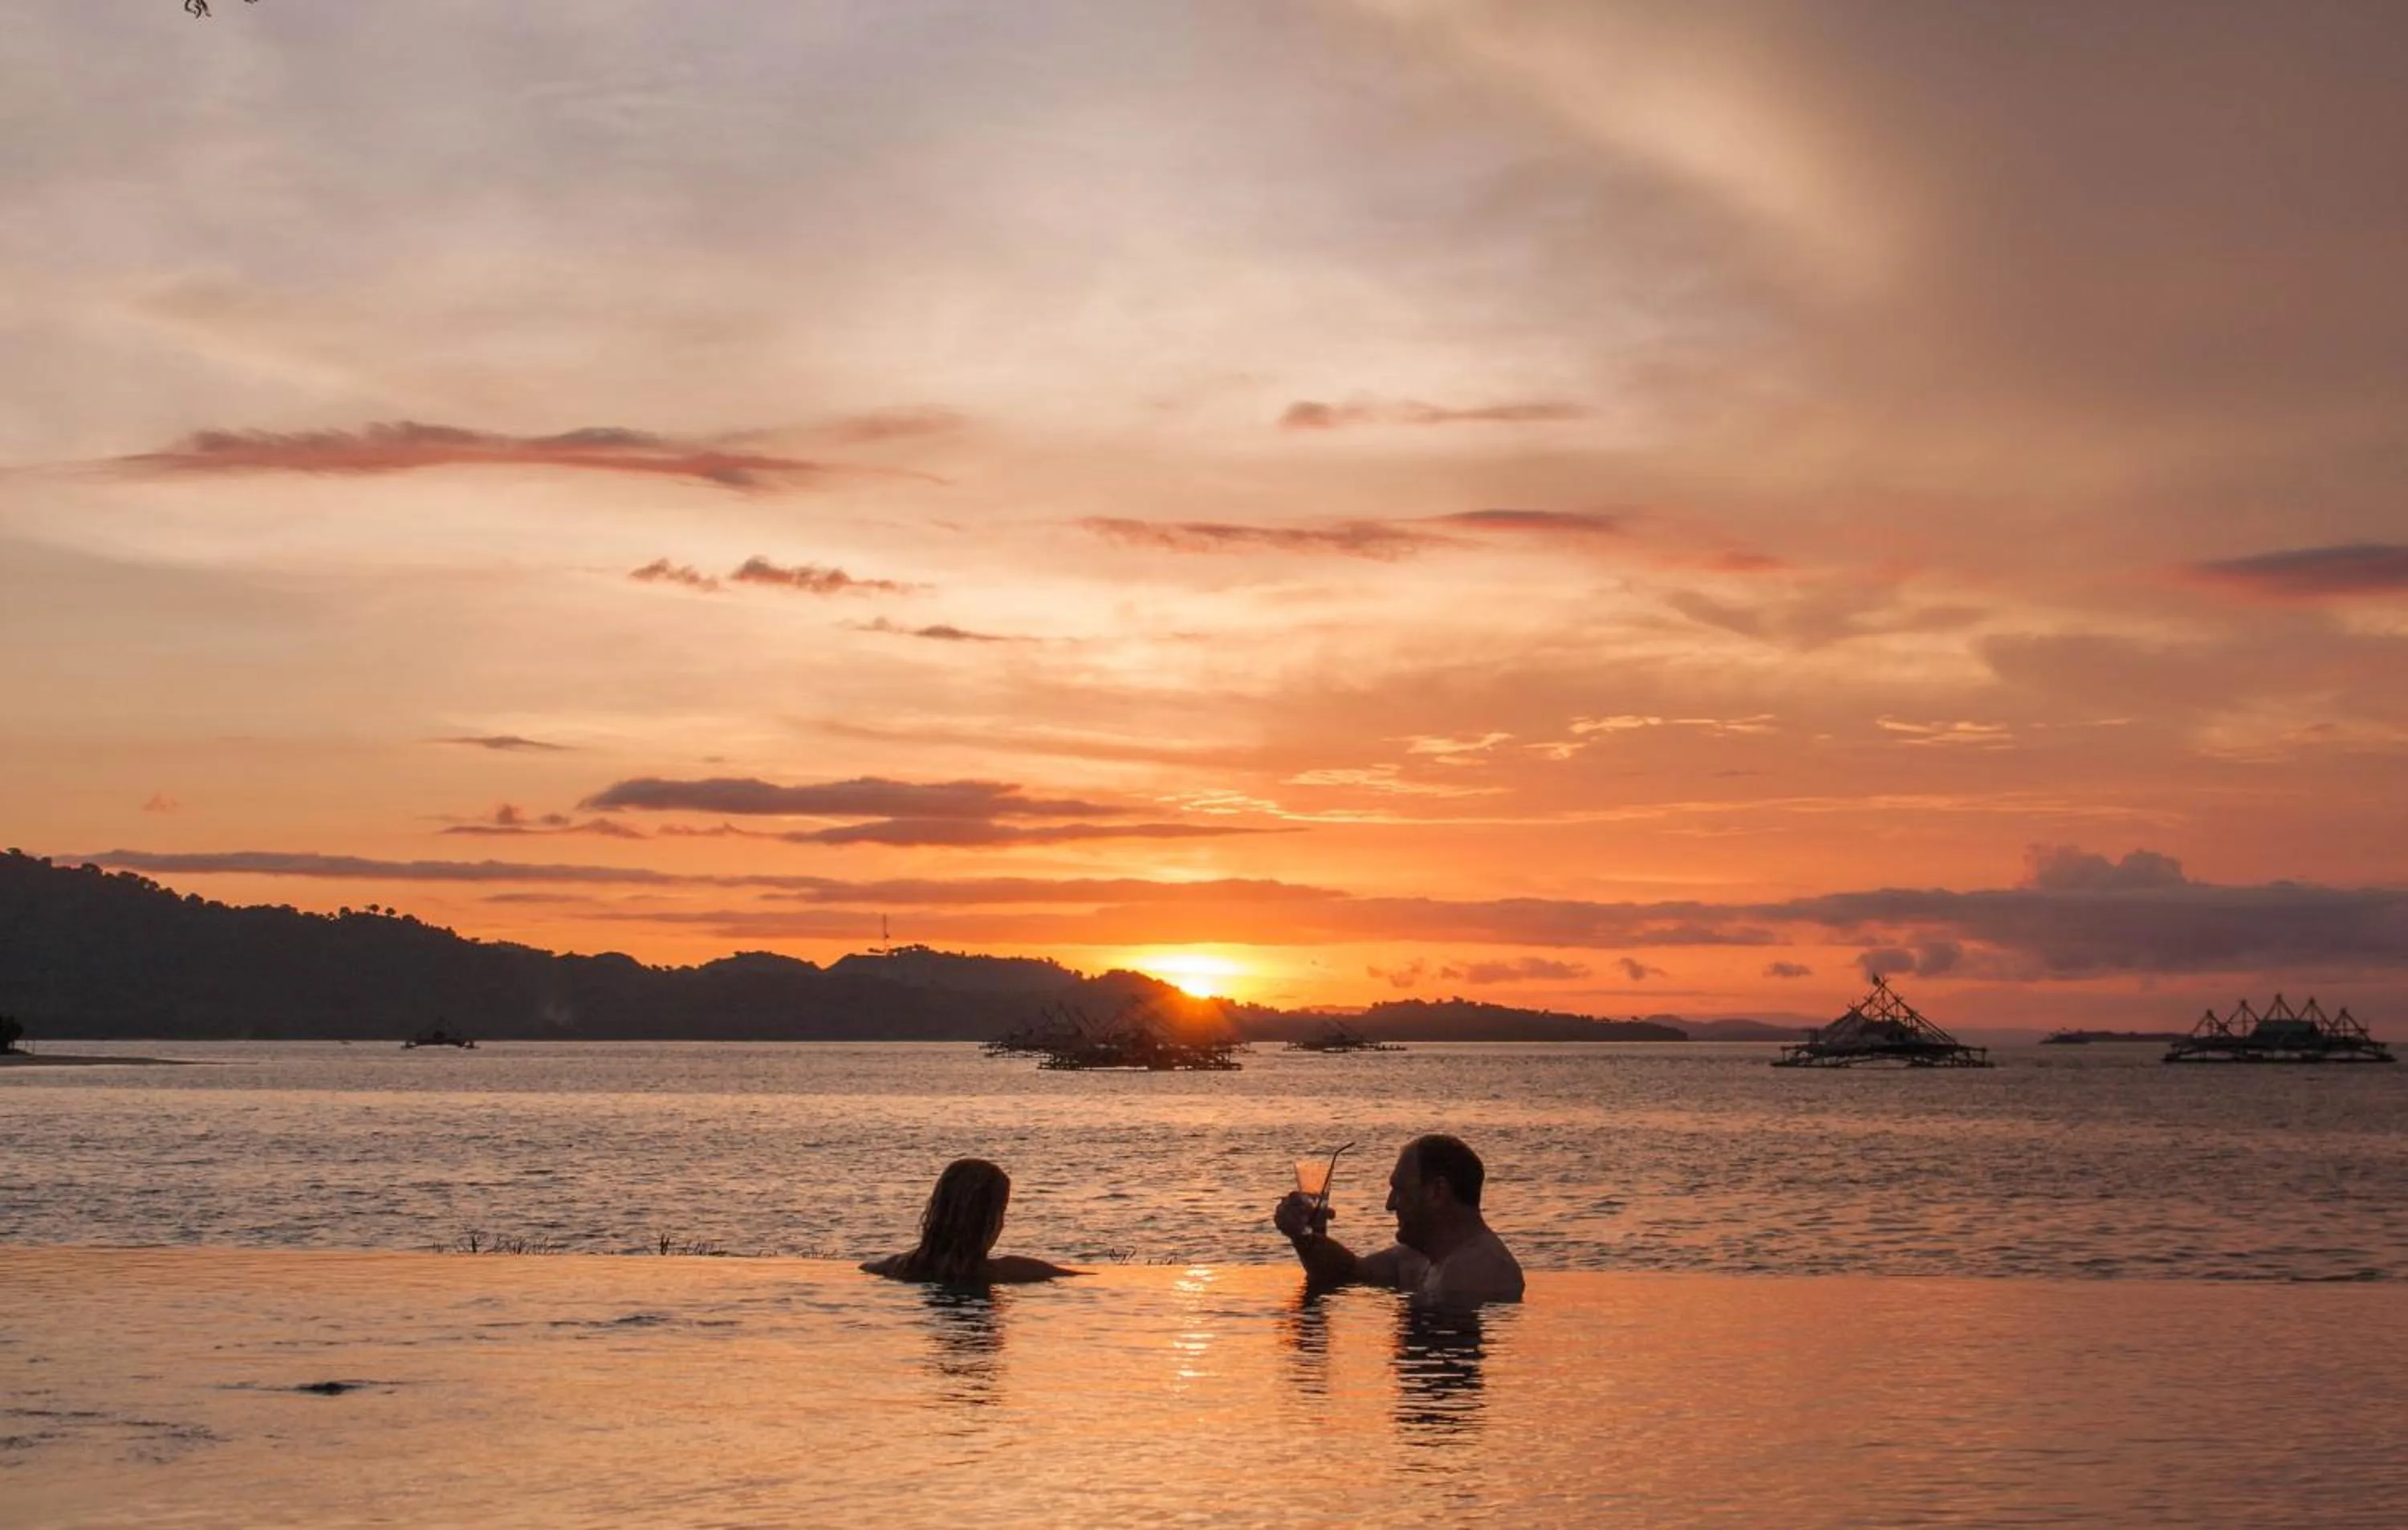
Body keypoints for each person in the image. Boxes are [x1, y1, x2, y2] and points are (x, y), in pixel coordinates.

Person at [1272, 1133, 1524, 1303]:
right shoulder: (1417, 1259)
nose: (1390, 1205)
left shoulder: (1478, 1273)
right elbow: (1348, 1272)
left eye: (1401, 1191)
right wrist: (1304, 1236)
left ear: (1437, 1192)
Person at [861, 1157, 1082, 1284]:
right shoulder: (1016, 1271)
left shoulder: (890, 1268)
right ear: (988, 1219)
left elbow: (866, 1267)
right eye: (1002, 1212)